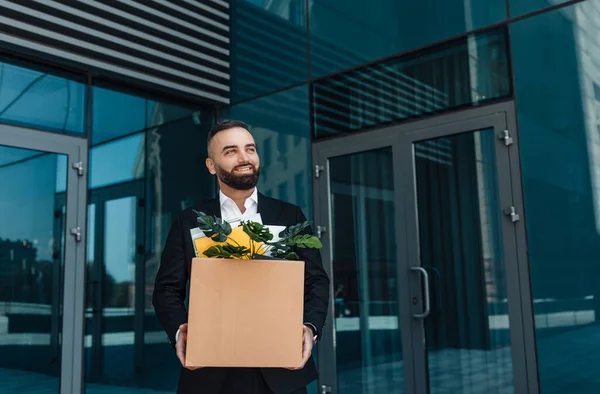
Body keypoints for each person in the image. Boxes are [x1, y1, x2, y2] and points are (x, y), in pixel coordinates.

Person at [152, 120, 330, 394]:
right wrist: (180, 331)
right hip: (209, 372)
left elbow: (316, 281)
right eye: (231, 151)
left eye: (250, 149)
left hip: (281, 371)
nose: (244, 157)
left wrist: (310, 327)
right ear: (211, 165)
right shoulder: (189, 220)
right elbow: (166, 290)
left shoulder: (290, 216)